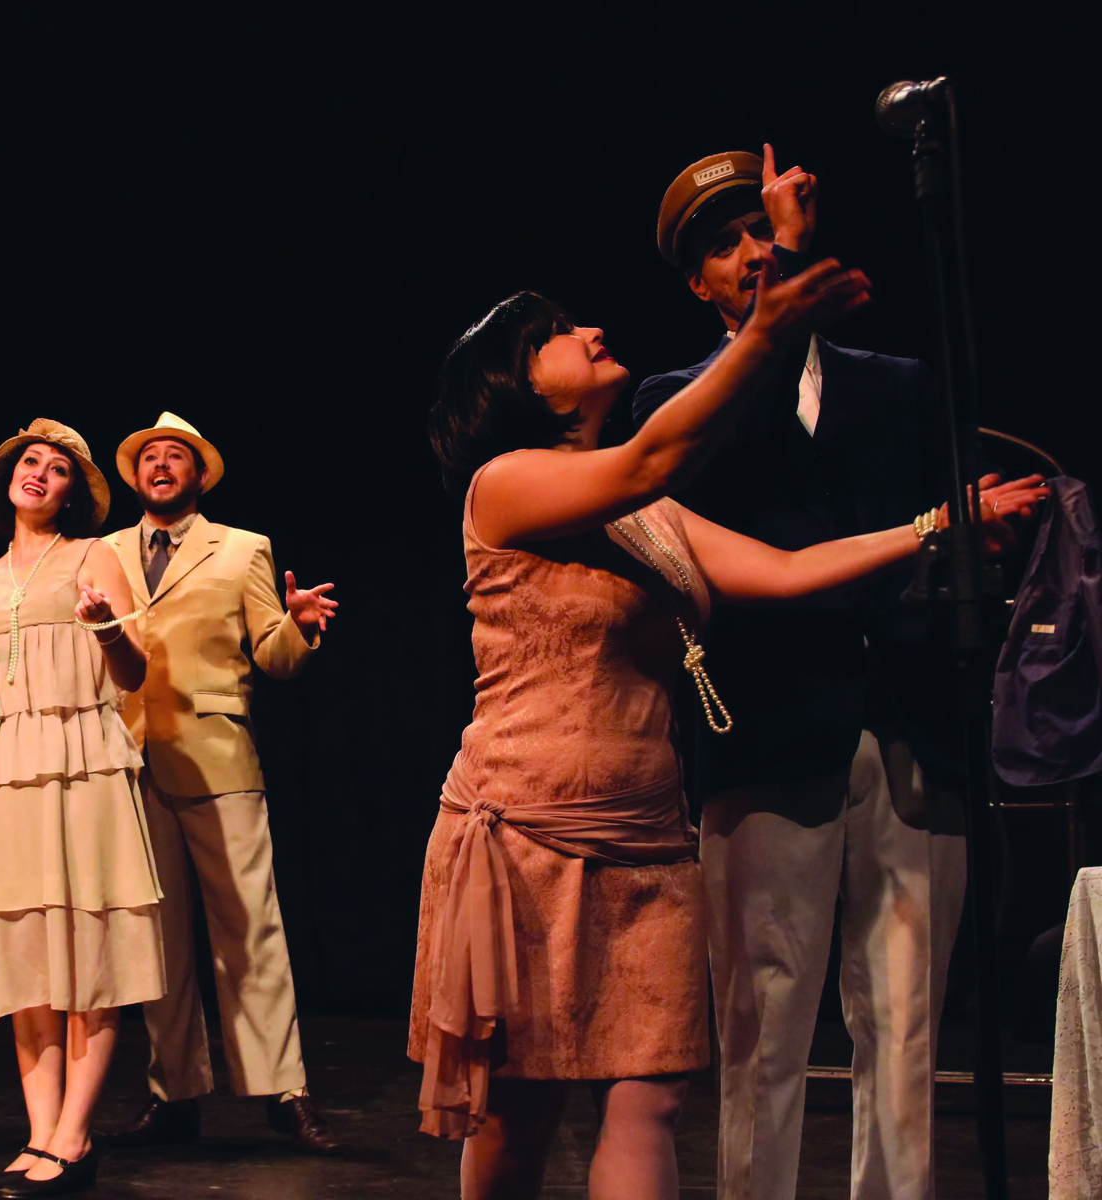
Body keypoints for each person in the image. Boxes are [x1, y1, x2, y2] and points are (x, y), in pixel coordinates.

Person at [411, 248, 1042, 1195]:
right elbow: (655, 453)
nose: (590, 333)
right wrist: (766, 331)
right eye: (557, 335)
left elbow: (785, 573)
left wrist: (933, 526)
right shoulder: (505, 484)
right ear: (517, 382)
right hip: (529, 835)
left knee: (651, 1100)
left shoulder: (651, 513)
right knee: (519, 1108)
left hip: (646, 835)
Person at [632, 147, 986, 1199]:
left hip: (910, 724)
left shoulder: (898, 386)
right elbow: (737, 451)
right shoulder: (676, 399)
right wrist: (789, 267)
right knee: (766, 1030)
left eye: (761, 234)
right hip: (774, 731)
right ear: (695, 282)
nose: (748, 254)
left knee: (907, 1022)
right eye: (726, 246)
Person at [0, 418, 160, 1197]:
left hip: (83, 758)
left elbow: (131, 671)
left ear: (74, 491)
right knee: (25, 952)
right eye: (29, 461)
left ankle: (73, 1134)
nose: (39, 474)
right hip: (9, 765)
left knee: (91, 948)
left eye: (57, 469)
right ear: (7, 478)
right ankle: (40, 1129)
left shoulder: (99, 556)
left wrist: (102, 628)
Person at [94, 412, 342, 1153]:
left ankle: (282, 1090)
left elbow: (276, 658)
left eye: (177, 457)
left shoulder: (242, 550)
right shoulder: (102, 553)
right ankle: (174, 1093)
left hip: (217, 757)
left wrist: (298, 625)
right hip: (129, 761)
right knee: (156, 942)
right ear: (136, 476)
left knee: (250, 930)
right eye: (149, 457)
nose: (161, 465)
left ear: (199, 475)